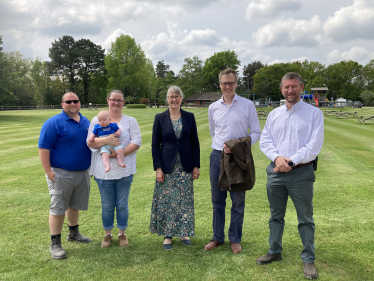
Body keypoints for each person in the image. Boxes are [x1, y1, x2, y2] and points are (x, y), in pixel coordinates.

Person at [257, 72, 324, 280]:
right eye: (286, 87)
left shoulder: (314, 114)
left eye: (294, 86)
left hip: (301, 172)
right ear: (281, 89)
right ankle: (274, 251)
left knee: (305, 218)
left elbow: (314, 145)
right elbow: (265, 141)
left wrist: (292, 161)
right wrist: (278, 159)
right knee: (276, 216)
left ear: (301, 87)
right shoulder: (274, 114)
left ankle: (308, 259)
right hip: (276, 172)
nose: (290, 90)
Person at [205, 68, 261, 254]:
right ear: (219, 85)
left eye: (231, 83)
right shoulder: (213, 108)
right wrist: (224, 147)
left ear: (236, 84)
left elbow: (255, 132)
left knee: (238, 201)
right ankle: (217, 237)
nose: (227, 86)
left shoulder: (247, 105)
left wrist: (236, 146)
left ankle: (235, 239)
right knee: (217, 200)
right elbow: (214, 132)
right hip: (217, 157)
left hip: (238, 158)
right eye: (224, 83)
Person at [38, 92, 92, 260]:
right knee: (58, 208)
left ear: (80, 103)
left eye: (75, 101)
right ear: (62, 104)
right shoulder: (53, 123)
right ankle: (55, 244)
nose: (72, 104)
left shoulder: (86, 122)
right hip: (61, 173)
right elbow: (44, 148)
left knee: (74, 205)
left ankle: (74, 233)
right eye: (68, 102)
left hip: (82, 173)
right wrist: (48, 172)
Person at [87, 90, 141, 248]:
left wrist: (116, 154)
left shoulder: (130, 121)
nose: (116, 103)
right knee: (107, 205)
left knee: (123, 205)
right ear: (108, 100)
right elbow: (90, 142)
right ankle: (108, 235)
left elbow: (136, 142)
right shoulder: (96, 120)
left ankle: (122, 234)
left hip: (124, 170)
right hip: (103, 172)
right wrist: (107, 140)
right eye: (113, 100)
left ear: (123, 102)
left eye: (119, 100)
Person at [150, 85, 200, 250]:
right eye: (171, 96)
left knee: (184, 201)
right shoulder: (160, 118)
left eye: (177, 96)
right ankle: (168, 234)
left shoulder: (189, 117)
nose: (174, 99)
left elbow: (195, 142)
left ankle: (183, 231)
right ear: (167, 99)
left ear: (181, 99)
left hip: (185, 166)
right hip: (167, 167)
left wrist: (196, 166)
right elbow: (155, 144)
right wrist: (158, 168)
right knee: (167, 202)